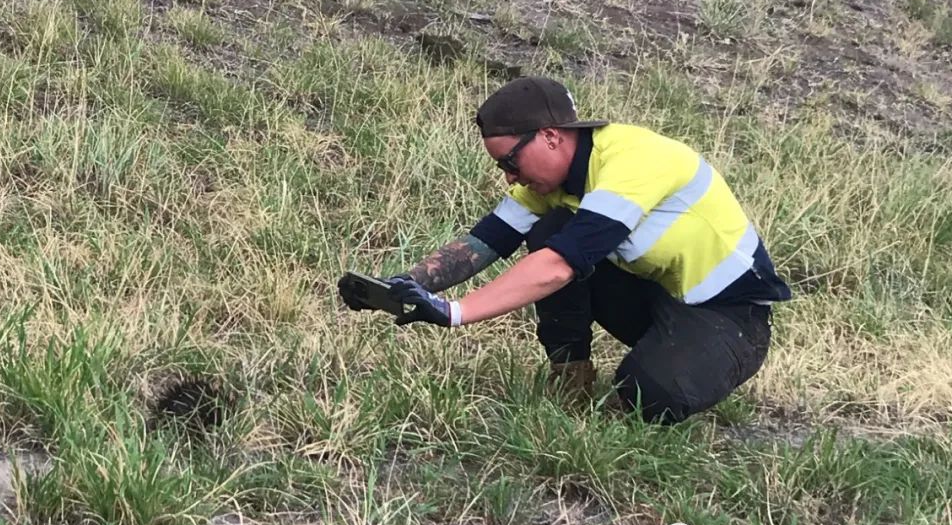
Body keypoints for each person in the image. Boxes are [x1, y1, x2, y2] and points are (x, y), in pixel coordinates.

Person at [339, 76, 791, 424]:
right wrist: (408, 284)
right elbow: (483, 242)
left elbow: (558, 267)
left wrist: (454, 312)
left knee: (646, 395)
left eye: (509, 162)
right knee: (549, 226)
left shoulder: (635, 161)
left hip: (732, 318)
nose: (509, 177)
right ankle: (571, 378)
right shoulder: (556, 180)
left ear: (551, 137)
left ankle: (668, 375)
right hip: (659, 300)